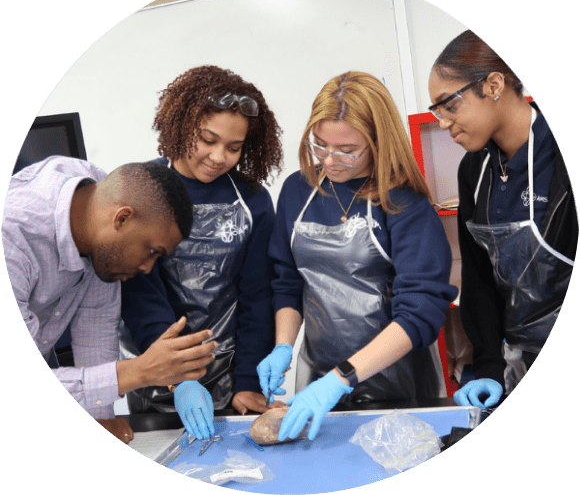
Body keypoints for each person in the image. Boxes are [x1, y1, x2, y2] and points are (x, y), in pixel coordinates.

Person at [258, 71, 458, 442]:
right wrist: (284, 345)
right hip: (319, 374)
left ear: (379, 143)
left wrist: (342, 378)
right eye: (320, 145)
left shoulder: (403, 202)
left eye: (347, 150)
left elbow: (421, 311)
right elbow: (287, 280)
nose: (330, 160)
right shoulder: (296, 191)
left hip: (399, 380)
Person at [2, 156, 217, 444]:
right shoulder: (12, 240)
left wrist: (99, 419)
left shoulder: (94, 208)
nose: (147, 269)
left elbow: (96, 330)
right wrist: (140, 371)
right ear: (122, 218)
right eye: (151, 251)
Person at [120, 65, 284, 440]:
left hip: (230, 375)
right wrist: (177, 377)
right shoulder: (140, 188)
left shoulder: (253, 201)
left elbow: (257, 296)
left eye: (233, 147)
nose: (217, 156)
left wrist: (247, 380)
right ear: (182, 125)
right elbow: (140, 295)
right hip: (156, 373)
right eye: (207, 139)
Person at [427, 30, 577, 409]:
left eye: (450, 105)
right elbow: (479, 278)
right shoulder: (474, 171)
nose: (443, 123)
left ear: (493, 84)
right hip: (520, 366)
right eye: (437, 112)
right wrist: (490, 367)